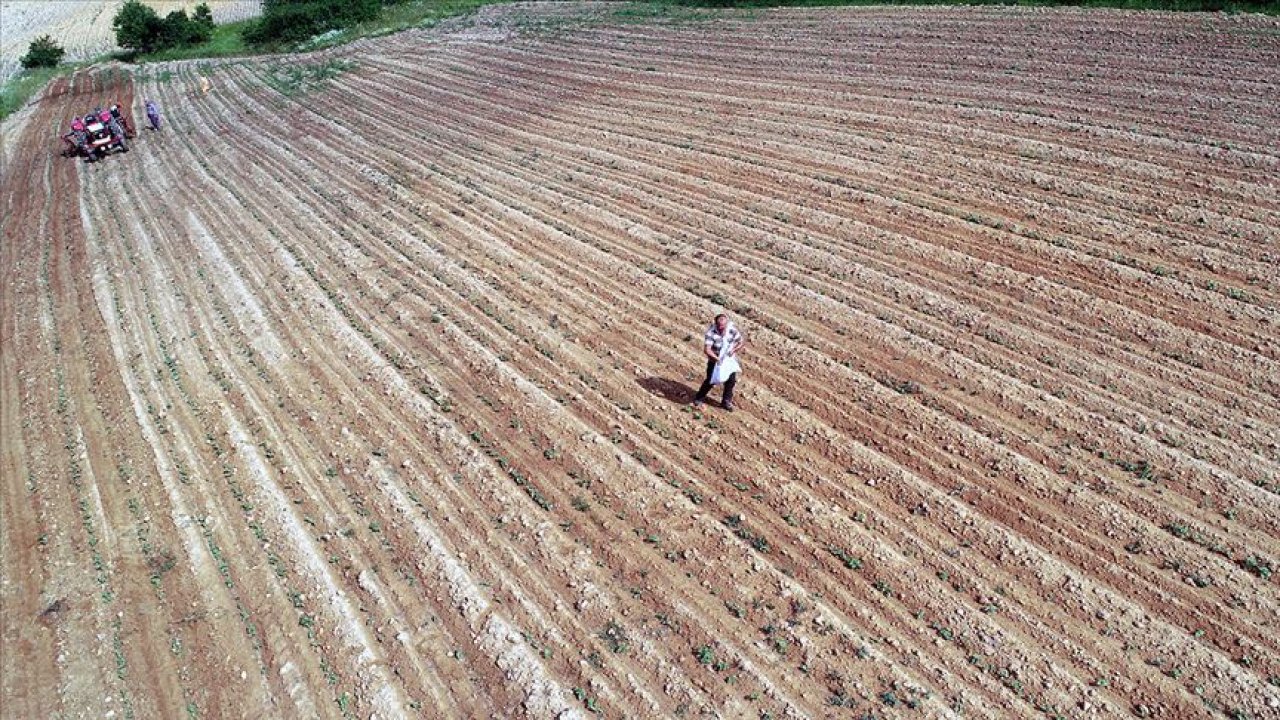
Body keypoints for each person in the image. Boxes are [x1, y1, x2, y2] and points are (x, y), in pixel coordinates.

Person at [692, 313, 745, 411]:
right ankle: (699, 397)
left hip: (728, 360)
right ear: (716, 324)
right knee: (711, 380)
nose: (721, 328)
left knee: (731, 381)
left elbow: (741, 342)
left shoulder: (732, 330)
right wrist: (717, 359)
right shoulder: (711, 333)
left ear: (727, 324)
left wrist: (733, 350)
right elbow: (707, 349)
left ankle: (726, 401)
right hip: (714, 360)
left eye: (723, 326)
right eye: (719, 326)